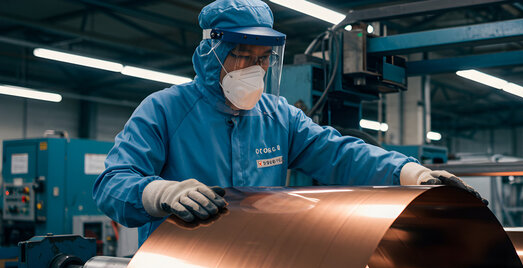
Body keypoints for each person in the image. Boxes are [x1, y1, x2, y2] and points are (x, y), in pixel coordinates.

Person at [93, 0, 484, 246]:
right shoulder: (164, 110)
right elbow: (112, 184)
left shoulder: (277, 116)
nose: (256, 68)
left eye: (263, 58)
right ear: (213, 53)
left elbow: (339, 153)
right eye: (244, 55)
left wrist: (410, 174)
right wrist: (160, 193)